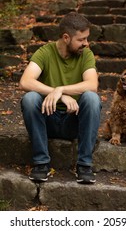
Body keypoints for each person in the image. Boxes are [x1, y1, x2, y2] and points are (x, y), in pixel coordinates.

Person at [19, 12, 102, 184]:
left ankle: (84, 165)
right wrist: (60, 95)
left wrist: (61, 89)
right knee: (30, 98)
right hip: (48, 119)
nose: (86, 43)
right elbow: (25, 81)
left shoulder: (86, 54)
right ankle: (41, 164)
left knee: (92, 99)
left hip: (74, 122)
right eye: (81, 39)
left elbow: (92, 85)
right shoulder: (45, 52)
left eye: (87, 38)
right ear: (66, 37)